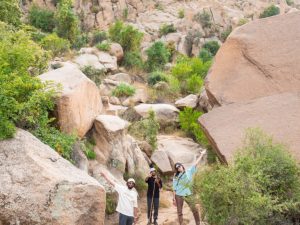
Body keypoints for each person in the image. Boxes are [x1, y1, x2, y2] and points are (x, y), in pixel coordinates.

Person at [172, 154, 204, 225]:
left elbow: (195, 163)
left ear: (182, 166)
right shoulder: (176, 176)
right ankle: (181, 223)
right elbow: (174, 188)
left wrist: (201, 155)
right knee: (179, 212)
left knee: (194, 209)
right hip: (179, 195)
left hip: (188, 194)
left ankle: (198, 223)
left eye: (179, 166)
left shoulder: (189, 171)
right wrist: (174, 198)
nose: (179, 168)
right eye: (177, 168)